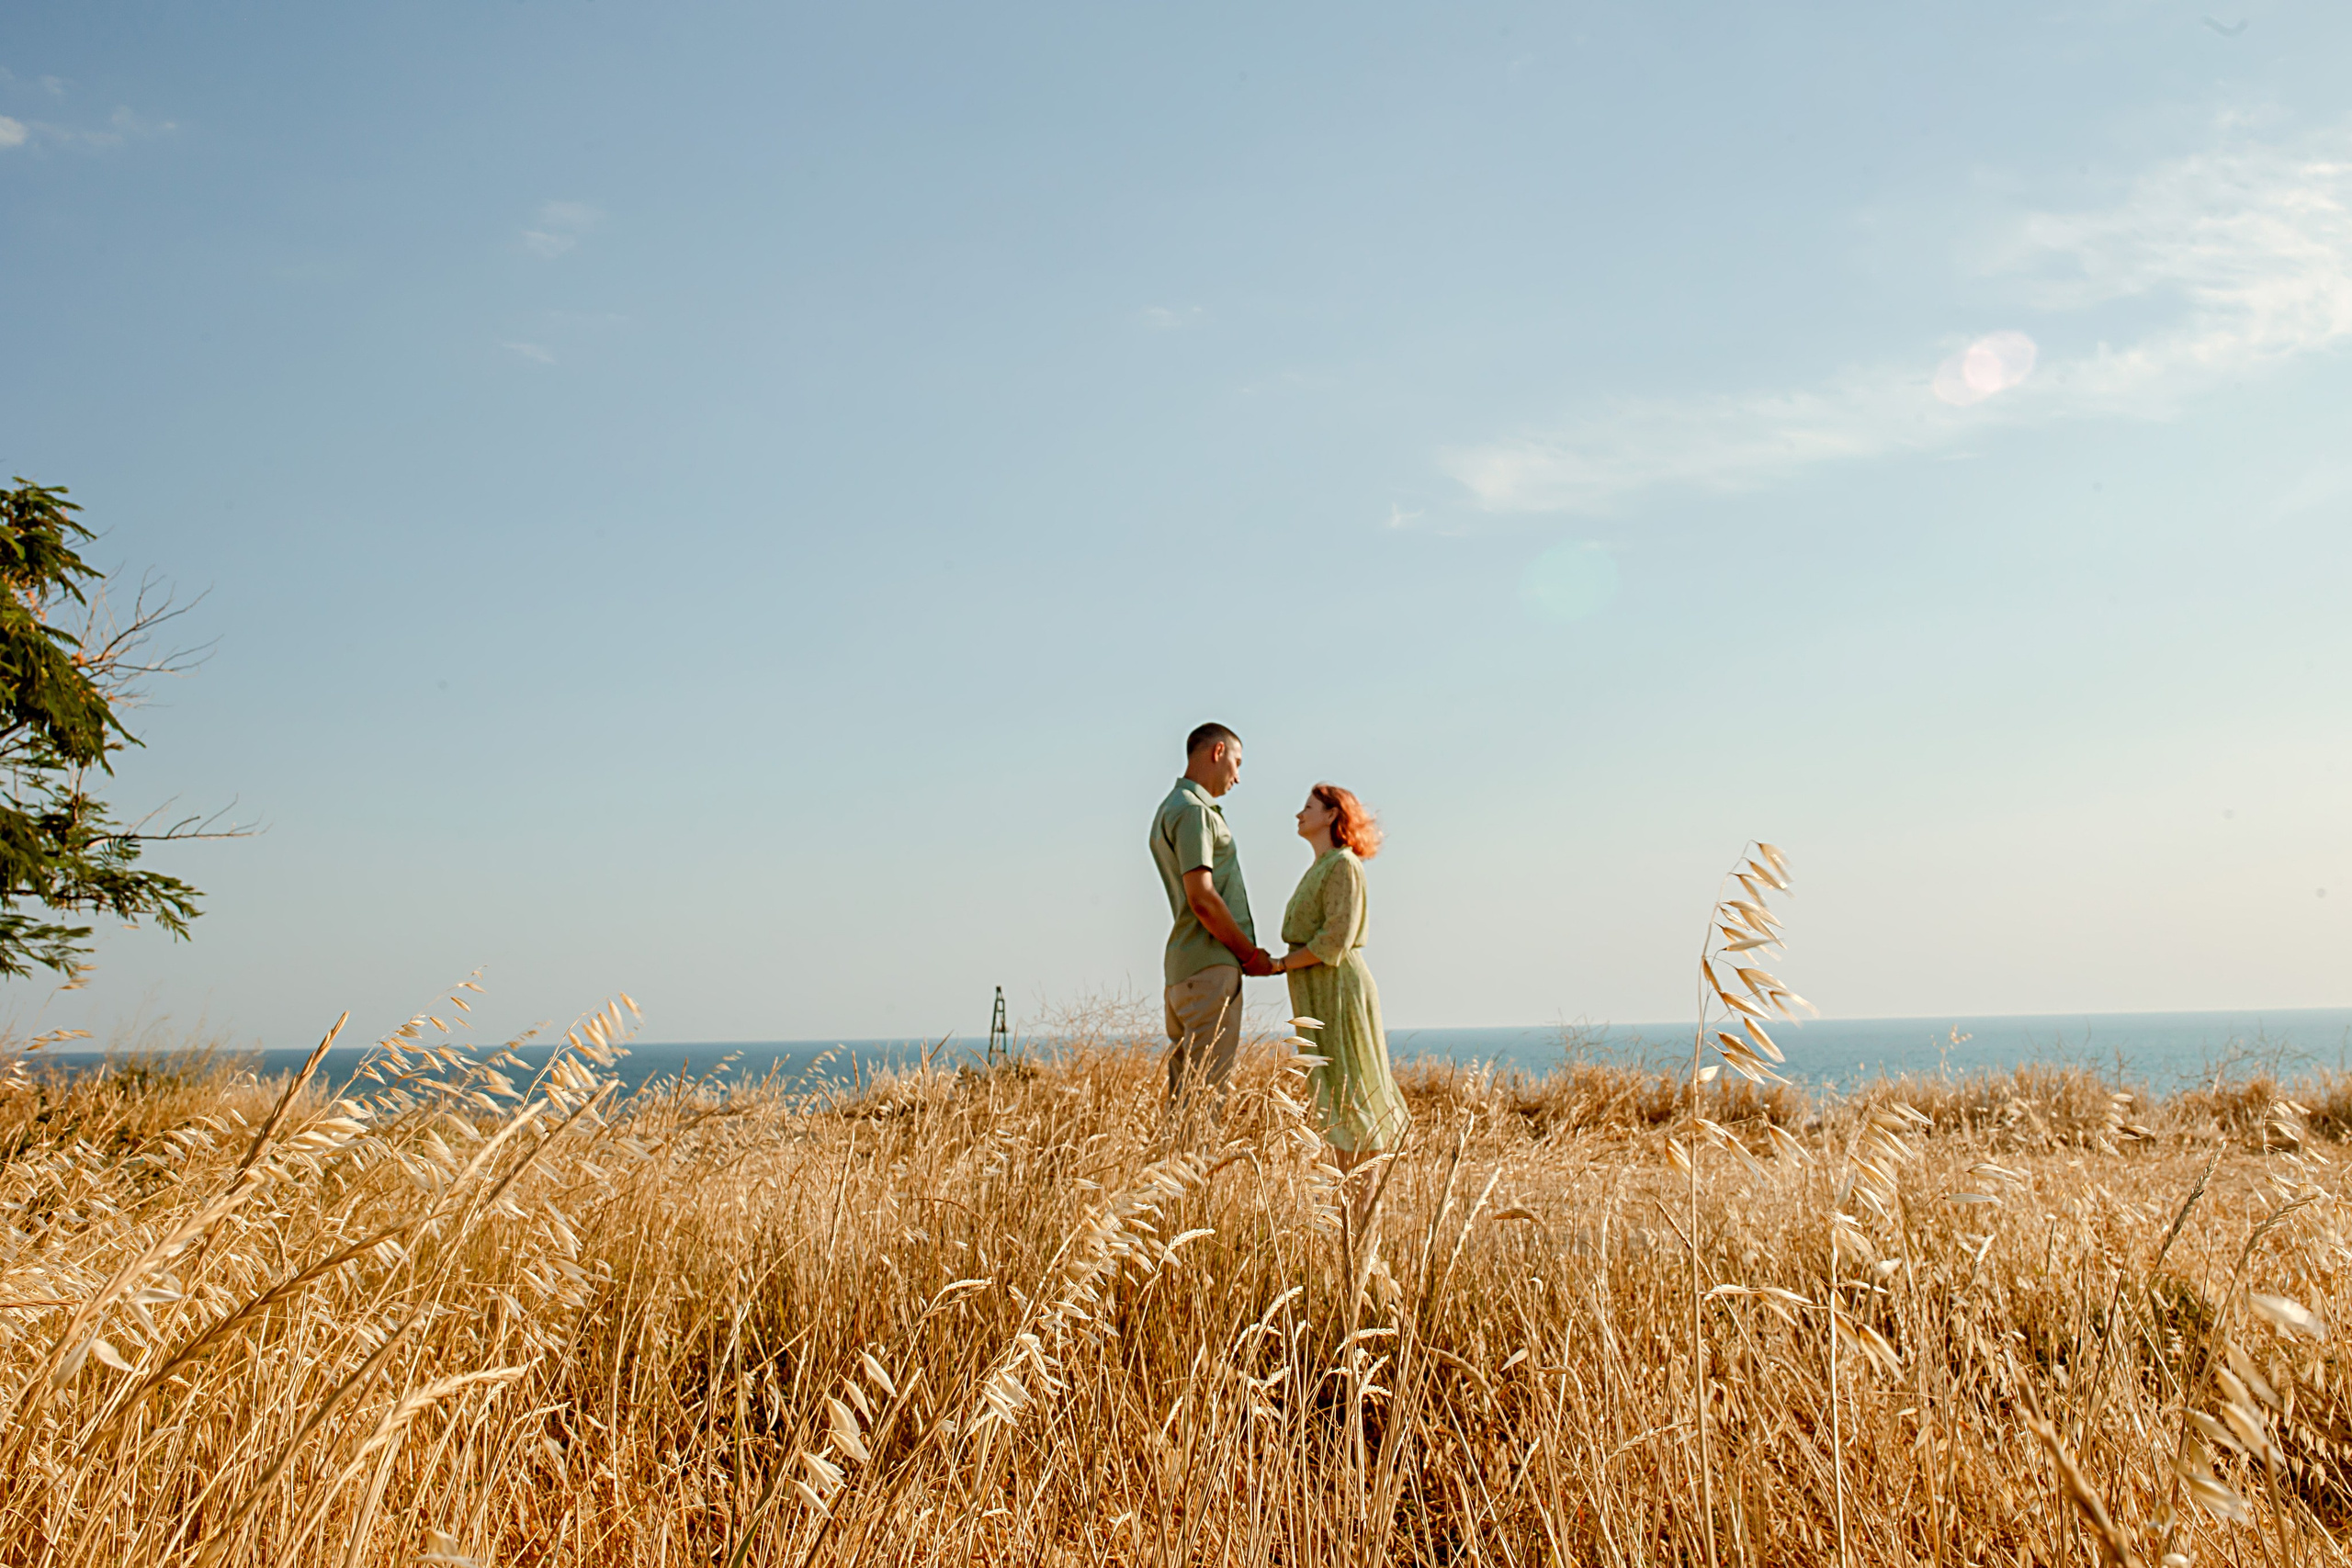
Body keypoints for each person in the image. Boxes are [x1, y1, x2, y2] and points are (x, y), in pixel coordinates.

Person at [1269, 784, 1408, 1213]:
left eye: (1307, 808)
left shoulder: (1343, 865)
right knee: (1335, 1098)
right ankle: (1347, 1212)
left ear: (1331, 815)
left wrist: (1278, 965)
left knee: (1351, 1094)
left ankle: (1360, 1214)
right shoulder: (1322, 866)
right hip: (1315, 990)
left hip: (1338, 989)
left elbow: (1335, 939)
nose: (1298, 814)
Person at [1149, 722, 1274, 1118]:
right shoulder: (1194, 812)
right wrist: (1249, 955)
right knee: (1204, 1106)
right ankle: (1192, 1182)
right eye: (1237, 763)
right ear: (1217, 752)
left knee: (1184, 1105)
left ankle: (1172, 1180)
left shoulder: (1170, 808)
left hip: (1182, 970)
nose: (1238, 777)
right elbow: (1202, 898)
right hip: (1208, 968)